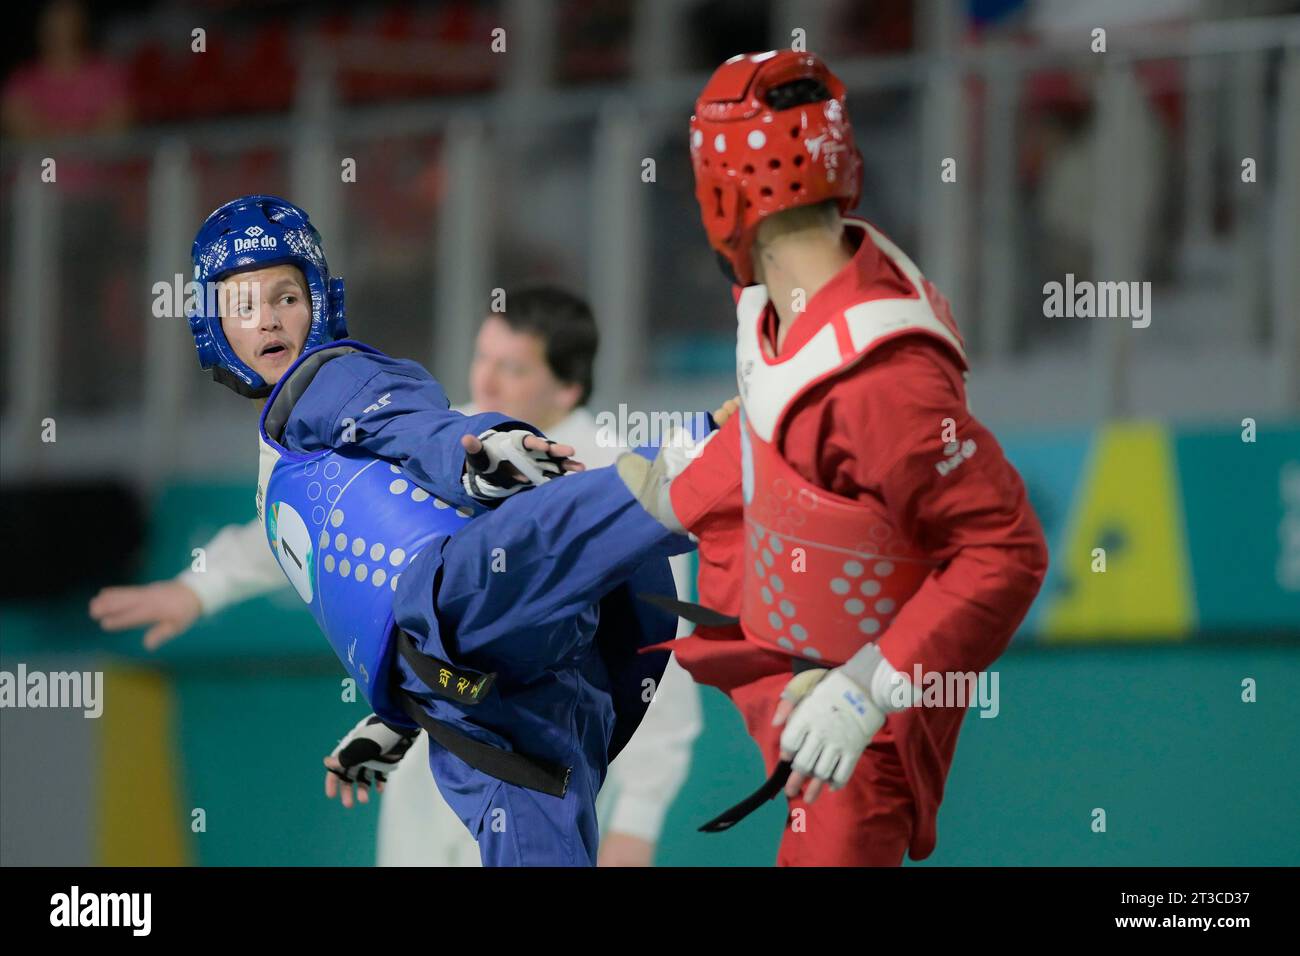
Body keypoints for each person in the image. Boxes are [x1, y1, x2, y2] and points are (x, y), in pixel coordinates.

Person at [93, 194, 693, 866]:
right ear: (213, 328)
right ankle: (693, 476)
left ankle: (700, 466)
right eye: (242, 305)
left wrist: (486, 455)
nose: (267, 318)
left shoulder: (336, 380)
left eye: (285, 297)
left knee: (501, 560)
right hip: (466, 704)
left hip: (477, 609)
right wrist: (396, 713)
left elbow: (424, 430)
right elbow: (349, 559)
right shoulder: (286, 456)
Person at [624, 51, 1050, 866]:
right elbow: (773, 435)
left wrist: (867, 686)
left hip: (848, 724)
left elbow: (1006, 551)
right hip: (780, 663)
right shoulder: (786, 303)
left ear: (722, 190)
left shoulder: (884, 381)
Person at [376, 287, 701, 867]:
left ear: (568, 386)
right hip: (428, 785)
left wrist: (638, 822)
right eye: (483, 357)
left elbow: (661, 666)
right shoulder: (451, 448)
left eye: (514, 367)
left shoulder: (623, 484)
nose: (488, 381)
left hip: (540, 779)